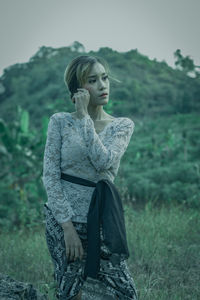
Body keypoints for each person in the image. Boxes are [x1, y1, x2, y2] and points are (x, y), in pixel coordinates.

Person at [42, 55, 138, 300]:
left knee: (125, 293)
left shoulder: (121, 125)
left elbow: (103, 161)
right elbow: (50, 176)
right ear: (77, 89)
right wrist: (67, 227)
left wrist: (85, 117)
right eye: (93, 80)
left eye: (104, 78)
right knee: (71, 292)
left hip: (103, 219)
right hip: (64, 220)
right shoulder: (60, 122)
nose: (103, 85)